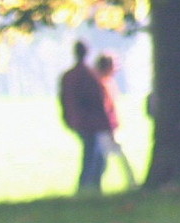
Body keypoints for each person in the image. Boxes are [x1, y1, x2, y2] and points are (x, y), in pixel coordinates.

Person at [58, 40, 115, 194]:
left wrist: (67, 119)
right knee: (95, 157)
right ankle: (89, 187)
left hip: (77, 121)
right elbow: (97, 101)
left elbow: (63, 100)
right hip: (91, 123)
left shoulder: (68, 76)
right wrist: (107, 124)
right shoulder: (90, 75)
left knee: (91, 154)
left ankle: (87, 187)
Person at [93, 53, 137, 189]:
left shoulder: (108, 82)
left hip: (108, 126)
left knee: (106, 159)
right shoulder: (100, 84)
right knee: (103, 159)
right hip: (104, 128)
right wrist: (111, 127)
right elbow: (105, 108)